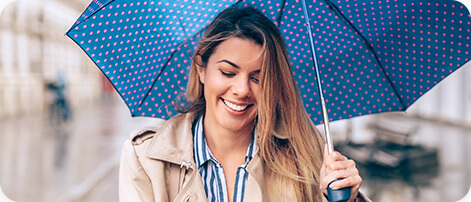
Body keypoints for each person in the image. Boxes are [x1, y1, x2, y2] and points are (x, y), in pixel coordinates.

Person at [119, 7, 370, 202]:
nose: (242, 90)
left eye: (258, 78)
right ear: (202, 70)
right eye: (228, 73)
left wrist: (345, 198)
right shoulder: (147, 158)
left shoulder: (306, 153)